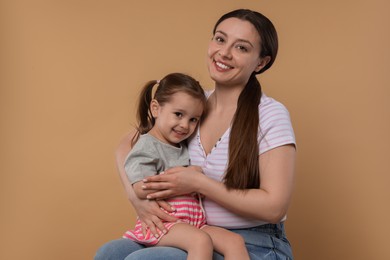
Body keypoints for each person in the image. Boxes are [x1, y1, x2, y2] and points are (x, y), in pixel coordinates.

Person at [95, 8, 296, 259]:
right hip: (192, 232)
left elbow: (274, 207)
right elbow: (127, 145)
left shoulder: (269, 113)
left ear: (261, 62)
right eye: (220, 39)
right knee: (110, 253)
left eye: (241, 48)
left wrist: (200, 183)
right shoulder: (193, 106)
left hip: (255, 242)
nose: (224, 52)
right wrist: (138, 199)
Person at [120, 72, 250, 260]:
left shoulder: (181, 145)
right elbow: (141, 188)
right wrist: (185, 177)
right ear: (156, 109)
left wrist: (196, 182)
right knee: (200, 242)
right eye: (178, 114)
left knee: (234, 241)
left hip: (194, 223)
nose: (185, 125)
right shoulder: (147, 145)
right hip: (164, 224)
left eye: (193, 119)